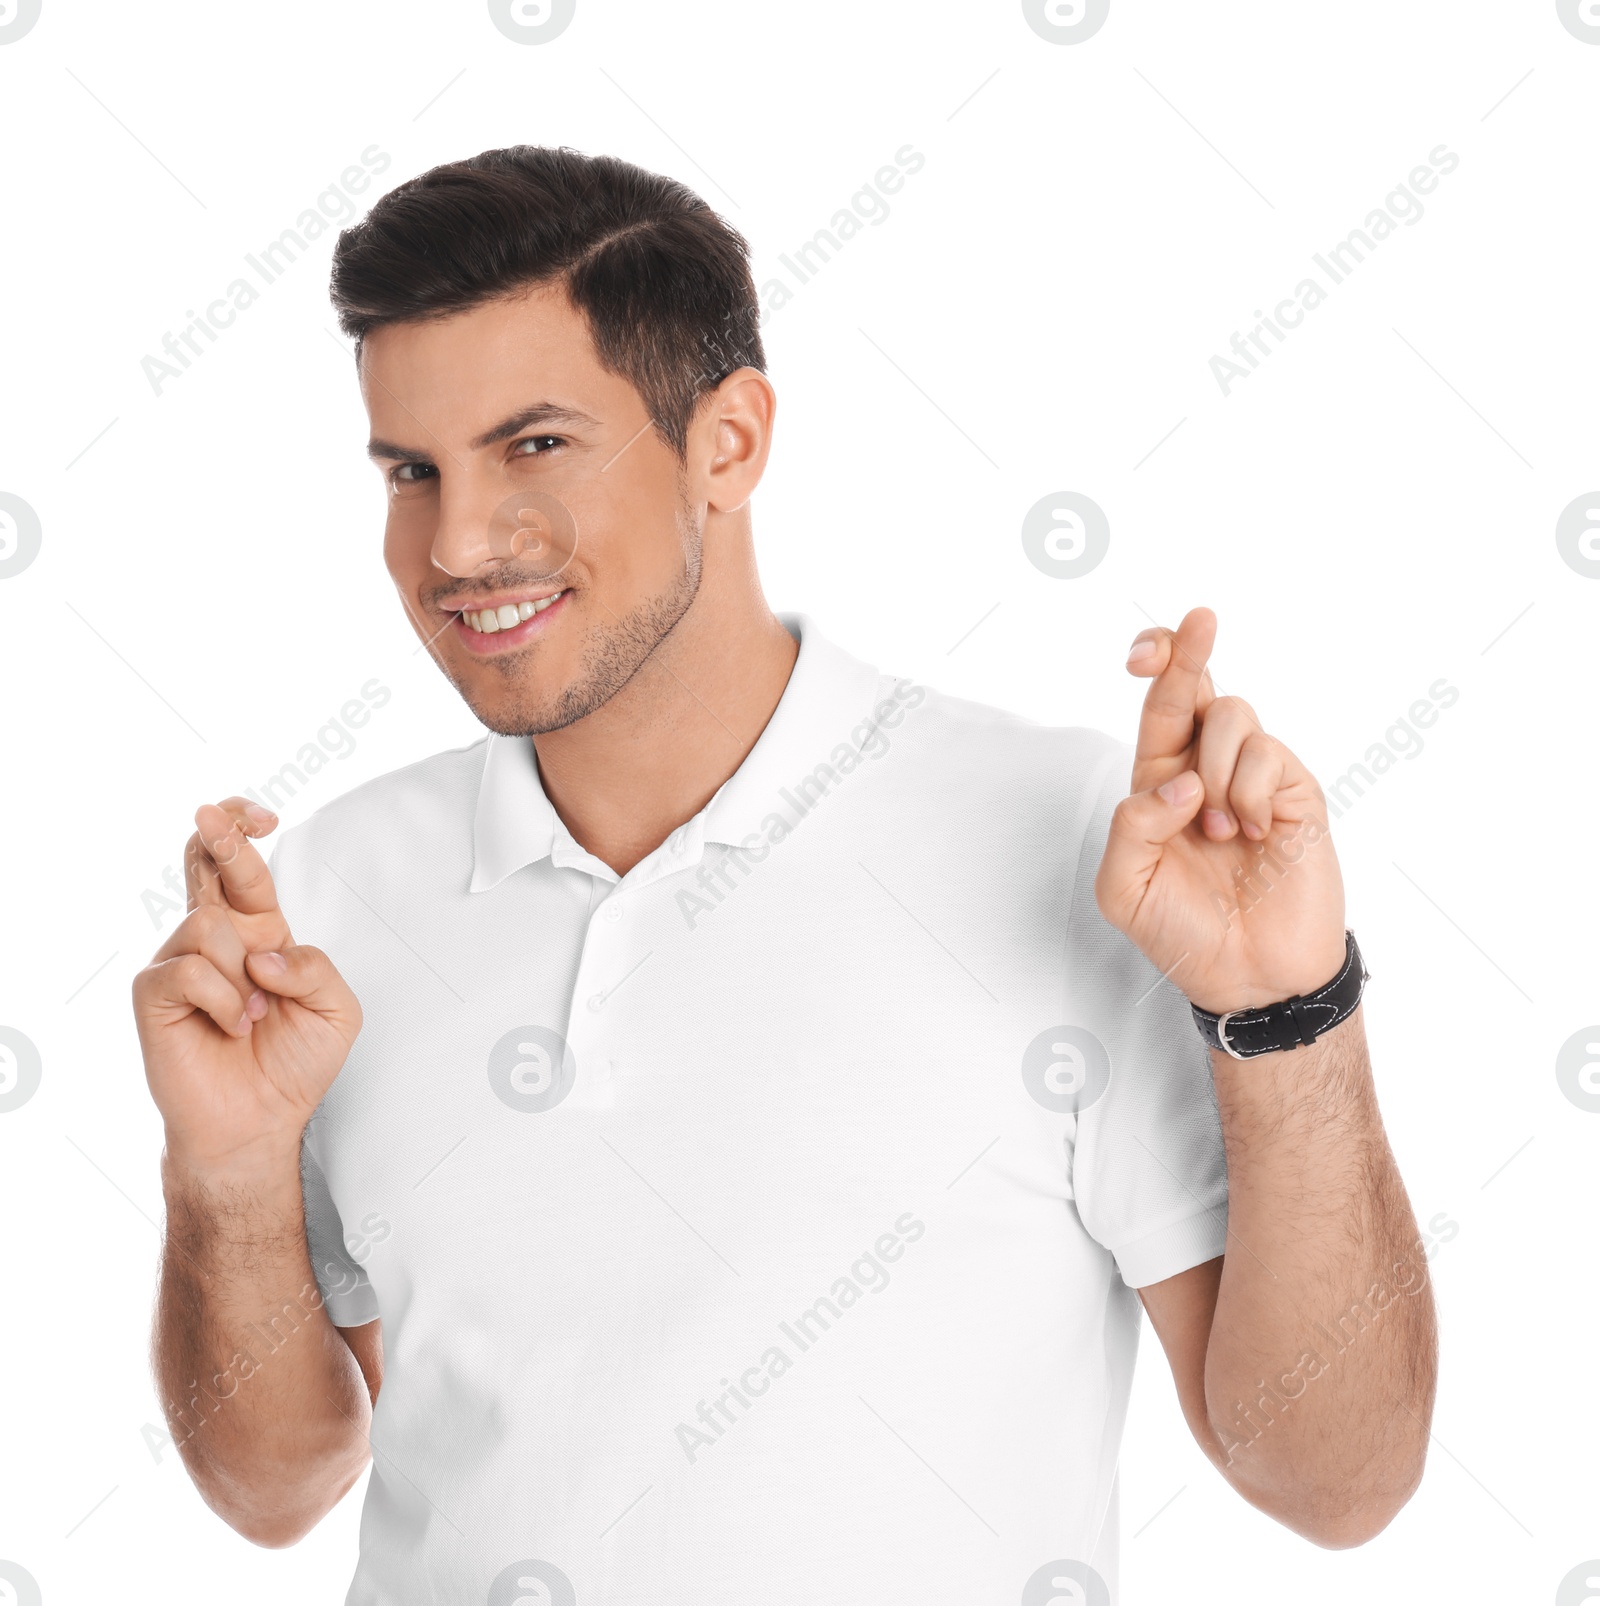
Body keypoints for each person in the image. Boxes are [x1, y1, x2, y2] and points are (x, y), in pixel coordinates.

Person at [133, 145, 1436, 1605]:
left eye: (536, 446)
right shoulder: (326, 895)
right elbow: (272, 1487)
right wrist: (231, 1173)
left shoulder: (1077, 841)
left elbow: (1337, 1480)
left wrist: (1288, 1013)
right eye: (409, 470)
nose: (455, 542)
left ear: (730, 443)